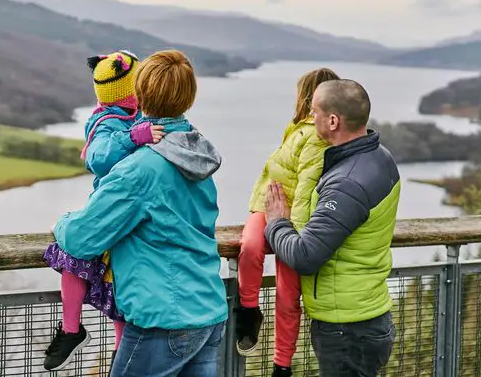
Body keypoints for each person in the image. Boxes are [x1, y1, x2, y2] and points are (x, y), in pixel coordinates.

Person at [53, 50, 227, 377]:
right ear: (188, 96)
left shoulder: (139, 169)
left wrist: (61, 222)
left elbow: (80, 238)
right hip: (209, 311)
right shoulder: (197, 152)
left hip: (162, 321)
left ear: (140, 93)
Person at [263, 79, 401, 377]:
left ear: (333, 120)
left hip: (347, 328)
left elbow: (306, 256)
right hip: (368, 315)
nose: (311, 119)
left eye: (314, 112)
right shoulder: (380, 157)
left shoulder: (348, 183)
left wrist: (276, 222)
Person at [42, 50, 165, 371]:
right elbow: (97, 158)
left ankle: (117, 355)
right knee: (72, 255)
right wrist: (133, 137)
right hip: (111, 206)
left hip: (133, 211)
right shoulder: (107, 121)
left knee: (119, 281)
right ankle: (71, 328)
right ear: (131, 87)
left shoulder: (138, 115)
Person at [236, 67, 340, 375]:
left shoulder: (319, 139)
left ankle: (282, 364)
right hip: (267, 207)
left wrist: (291, 232)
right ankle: (248, 310)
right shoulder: (297, 128)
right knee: (250, 248)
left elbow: (307, 188)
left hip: (293, 221)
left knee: (287, 294)